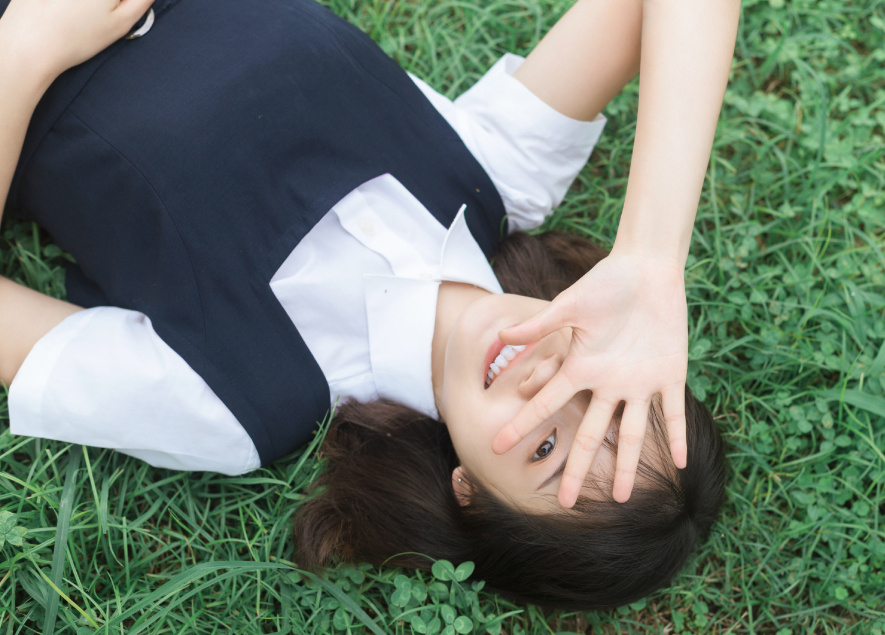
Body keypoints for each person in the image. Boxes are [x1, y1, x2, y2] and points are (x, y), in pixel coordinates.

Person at [0, 0, 734, 610]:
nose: (544, 388)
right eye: (592, 385)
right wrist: (651, 256)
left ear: (471, 492)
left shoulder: (234, 401)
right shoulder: (497, 172)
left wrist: (30, 45)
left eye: (544, 449)